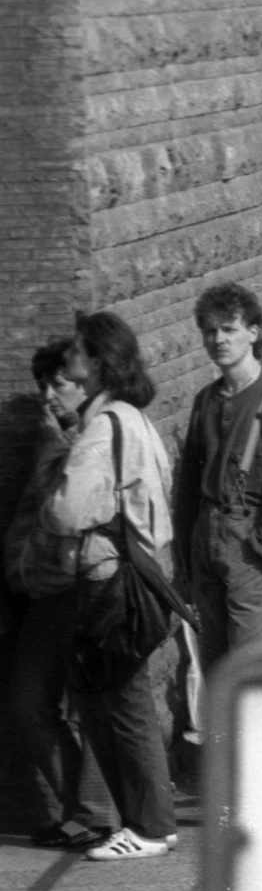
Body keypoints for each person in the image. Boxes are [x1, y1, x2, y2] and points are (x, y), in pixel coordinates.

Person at [36, 312, 178, 860]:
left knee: (123, 703)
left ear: (97, 361)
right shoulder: (132, 417)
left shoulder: (103, 426)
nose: (69, 359)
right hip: (135, 570)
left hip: (107, 575)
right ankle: (145, 821)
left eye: (77, 351)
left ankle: (149, 826)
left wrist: (53, 503)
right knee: (118, 698)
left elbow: (68, 510)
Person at [8, 339, 115, 850]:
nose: (50, 395)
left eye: (59, 385)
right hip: (42, 590)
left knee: (87, 704)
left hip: (82, 585)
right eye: (43, 386)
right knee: (29, 700)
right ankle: (79, 807)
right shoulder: (53, 436)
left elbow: (68, 508)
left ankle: (94, 814)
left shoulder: (92, 437)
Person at [174, 282, 262, 668]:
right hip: (207, 538)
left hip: (252, 547)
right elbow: (188, 485)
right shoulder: (206, 399)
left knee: (253, 673)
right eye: (210, 331)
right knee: (217, 671)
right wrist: (187, 553)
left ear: (253, 332)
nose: (218, 339)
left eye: (229, 329)